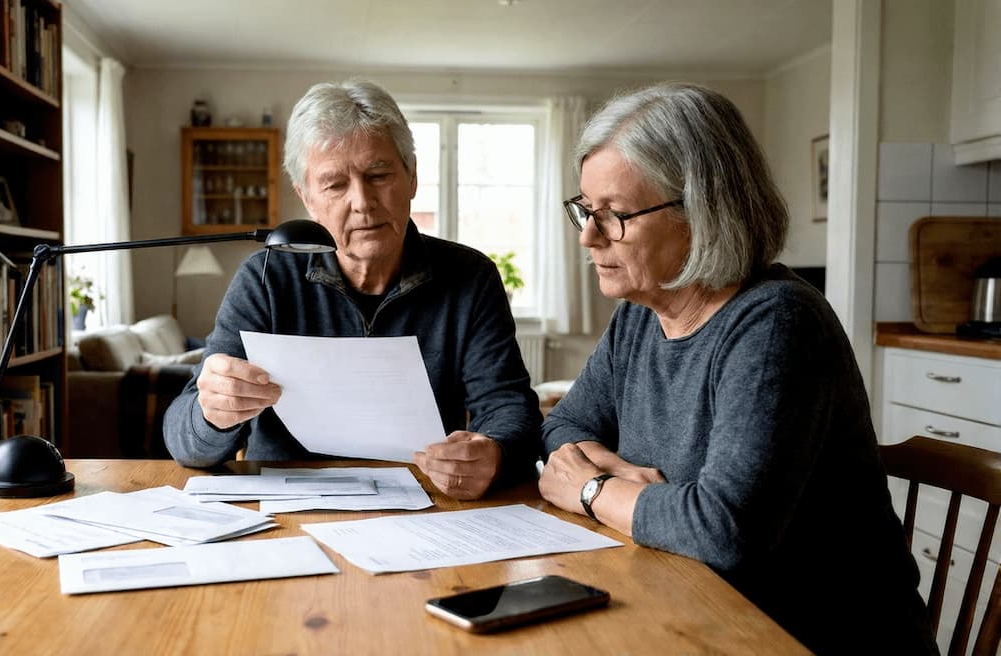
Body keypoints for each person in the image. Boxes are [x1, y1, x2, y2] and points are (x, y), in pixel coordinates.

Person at [537, 82, 936, 653]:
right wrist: (617, 476)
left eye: (615, 215)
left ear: (701, 211)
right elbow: (562, 426)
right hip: (689, 605)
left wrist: (595, 489)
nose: (588, 237)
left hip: (809, 635)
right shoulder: (639, 317)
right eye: (586, 210)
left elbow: (723, 530)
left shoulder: (776, 323)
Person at [163, 79, 542, 500]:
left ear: (412, 177)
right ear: (307, 198)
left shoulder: (470, 277)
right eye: (335, 185)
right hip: (289, 508)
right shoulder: (266, 278)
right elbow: (183, 439)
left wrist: (494, 452)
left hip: (427, 504)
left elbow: (511, 411)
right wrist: (213, 414)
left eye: (378, 175)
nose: (362, 202)